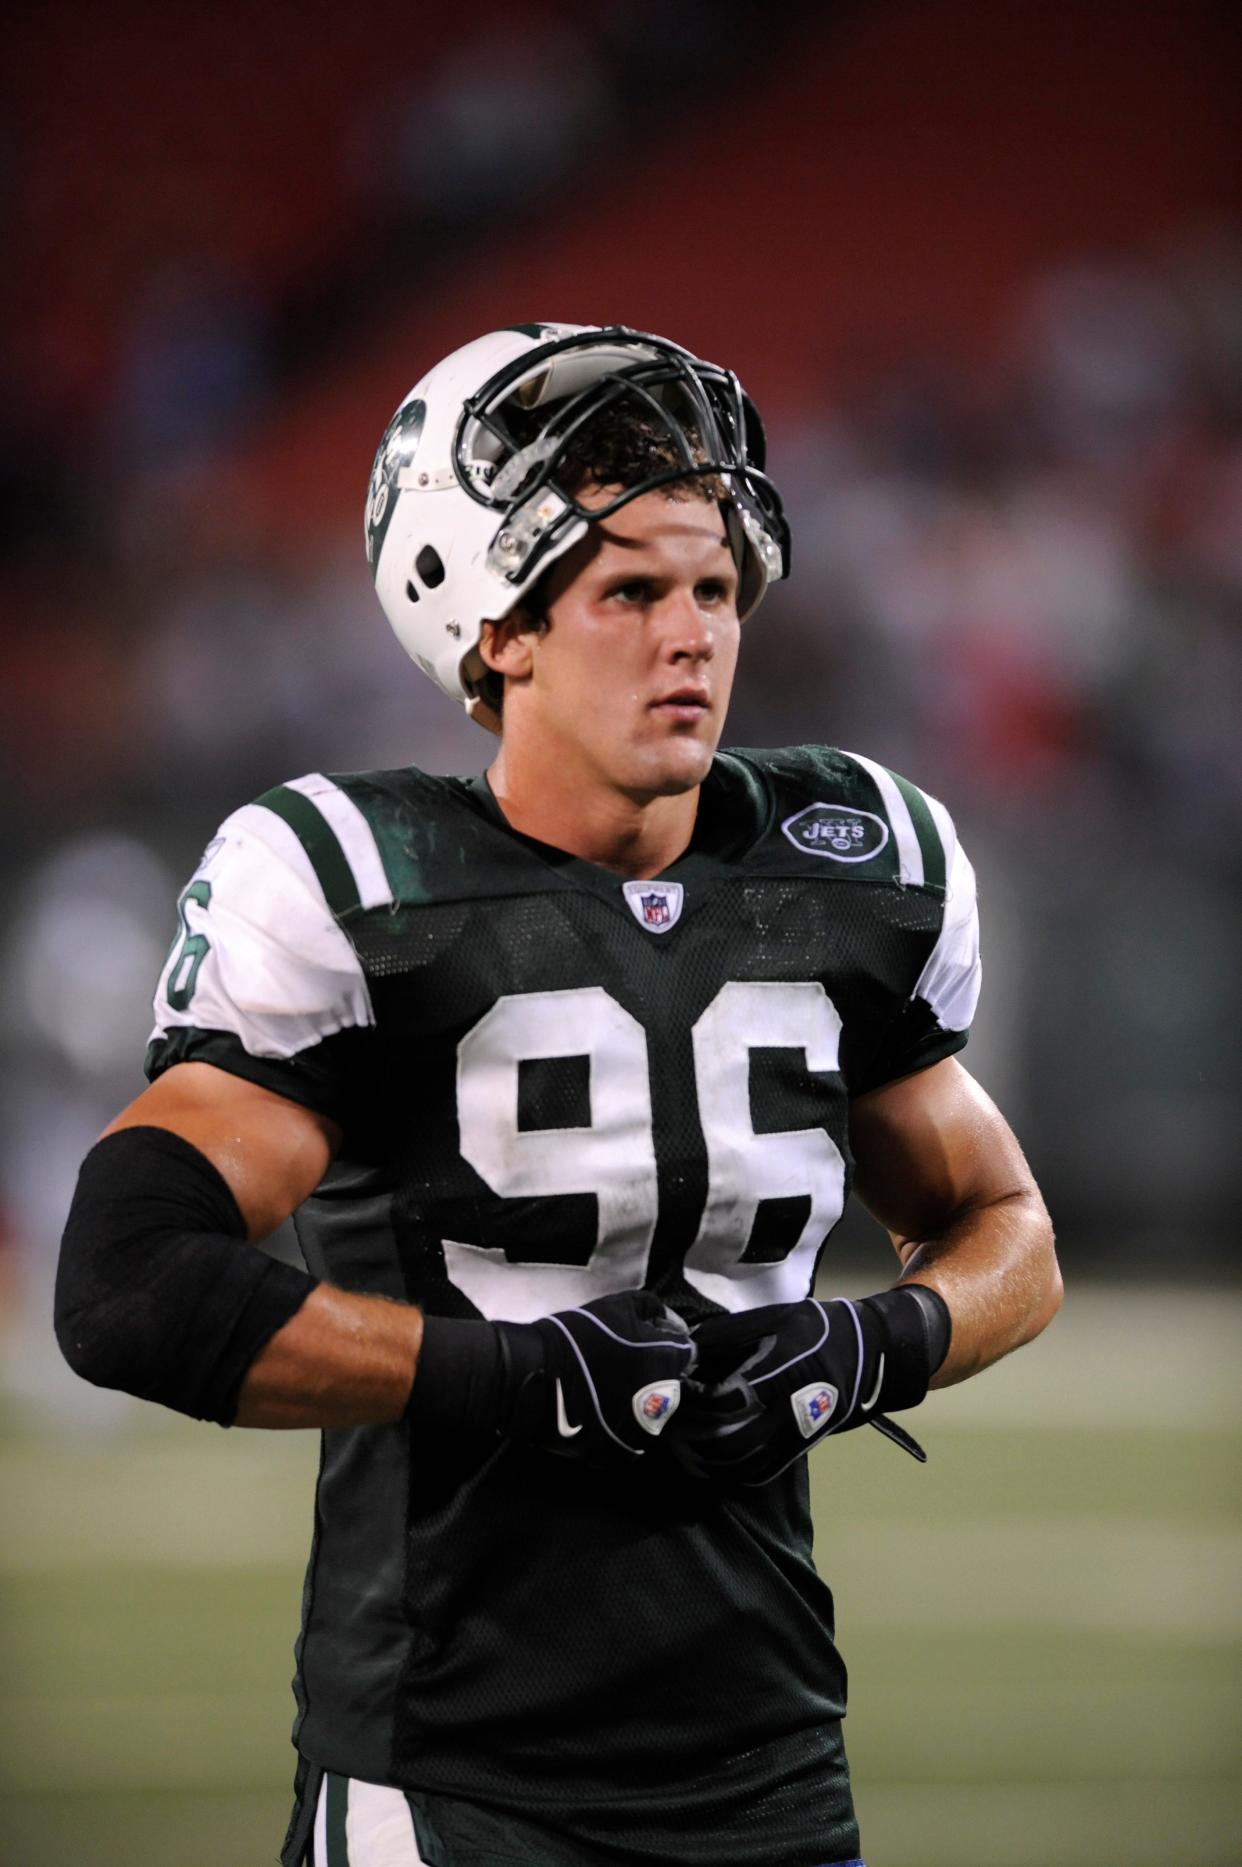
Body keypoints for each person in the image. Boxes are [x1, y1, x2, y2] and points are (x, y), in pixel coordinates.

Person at [55, 322, 1061, 1867]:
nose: (694, 637)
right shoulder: (356, 884)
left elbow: (1005, 1230)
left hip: (770, 1754)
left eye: (715, 588)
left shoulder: (850, 862)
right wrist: (520, 1381)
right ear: (497, 630)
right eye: (632, 591)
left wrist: (867, 1344)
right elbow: (130, 1288)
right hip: (451, 1771)